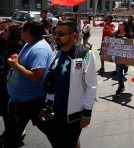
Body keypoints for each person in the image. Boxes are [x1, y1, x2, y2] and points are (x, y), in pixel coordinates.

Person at [40, 20, 97, 148]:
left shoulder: (85, 54)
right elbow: (52, 82)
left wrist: (87, 113)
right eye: (55, 33)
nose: (56, 37)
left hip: (74, 114)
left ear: (74, 35)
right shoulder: (57, 52)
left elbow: (91, 86)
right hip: (57, 111)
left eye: (61, 33)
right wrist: (48, 104)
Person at [5, 20, 54, 148]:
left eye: (22, 29)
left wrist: (16, 65)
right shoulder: (30, 44)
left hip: (32, 102)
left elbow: (36, 76)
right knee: (11, 137)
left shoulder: (39, 49)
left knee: (54, 134)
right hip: (20, 100)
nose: (20, 31)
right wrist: (18, 61)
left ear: (27, 31)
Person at [0, 22, 23, 142]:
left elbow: (17, 67)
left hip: (10, 83)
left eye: (6, 30)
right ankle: (8, 131)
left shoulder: (18, 46)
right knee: (3, 109)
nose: (3, 32)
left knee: (9, 109)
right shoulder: (4, 43)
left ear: (12, 33)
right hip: (2, 81)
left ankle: (13, 133)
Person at [113, 21, 131, 97]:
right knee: (118, 70)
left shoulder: (127, 34)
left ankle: (120, 86)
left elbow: (132, 44)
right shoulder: (117, 33)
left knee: (120, 71)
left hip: (125, 55)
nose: (119, 26)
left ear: (124, 26)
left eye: (121, 24)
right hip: (117, 54)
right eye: (118, 24)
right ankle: (122, 85)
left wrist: (126, 40)